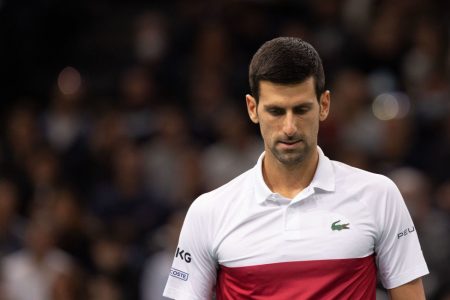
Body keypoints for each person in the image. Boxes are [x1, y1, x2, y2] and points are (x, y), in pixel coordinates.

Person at [163, 37, 429, 299]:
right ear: (252, 109)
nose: (289, 128)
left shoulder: (379, 195)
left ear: (324, 105)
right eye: (276, 111)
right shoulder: (208, 212)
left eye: (301, 109)